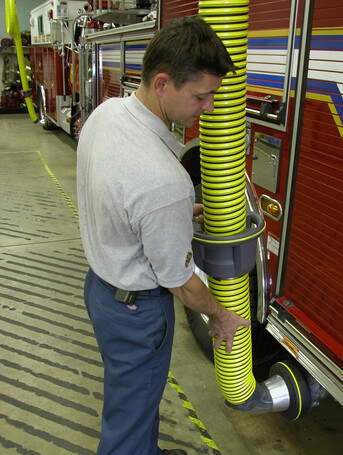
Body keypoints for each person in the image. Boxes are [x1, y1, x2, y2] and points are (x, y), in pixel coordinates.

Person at [77, 16, 250, 455]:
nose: (208, 108)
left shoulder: (108, 113)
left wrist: (171, 219)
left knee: (134, 396)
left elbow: (119, 197)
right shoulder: (164, 184)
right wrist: (222, 316)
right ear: (162, 83)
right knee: (132, 412)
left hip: (101, 290)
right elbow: (183, 285)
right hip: (137, 313)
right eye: (201, 96)